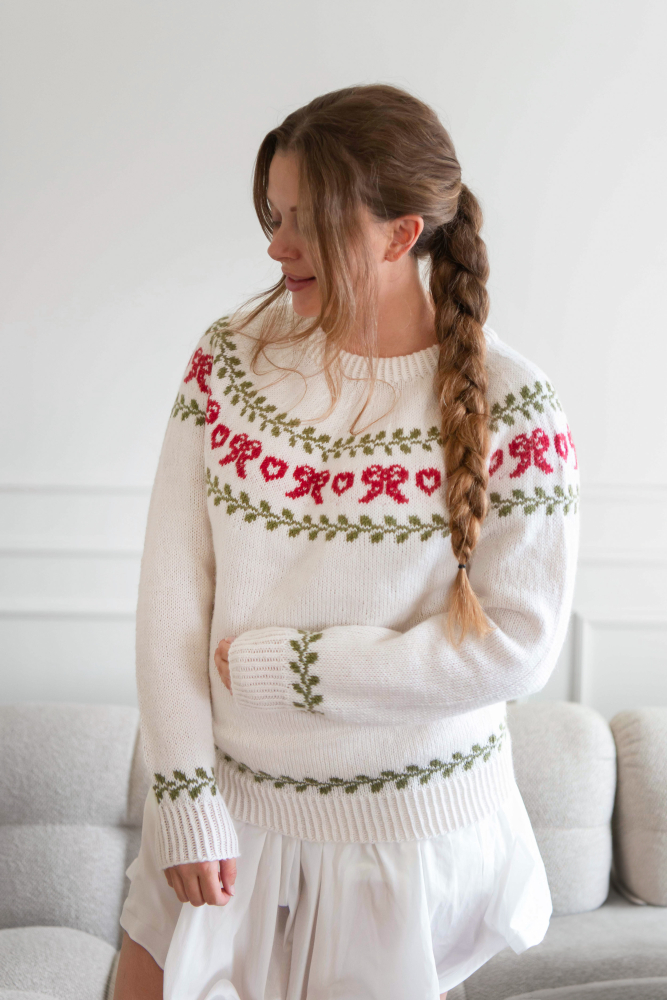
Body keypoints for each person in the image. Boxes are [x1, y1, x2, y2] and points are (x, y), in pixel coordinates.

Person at [113, 83, 580, 1000]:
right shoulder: (230, 359)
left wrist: (297, 671)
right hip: (227, 818)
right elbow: (172, 589)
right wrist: (183, 796)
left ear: (399, 234)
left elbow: (517, 644)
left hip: (404, 844)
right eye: (274, 215)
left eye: (306, 222)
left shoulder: (514, 405)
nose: (276, 246)